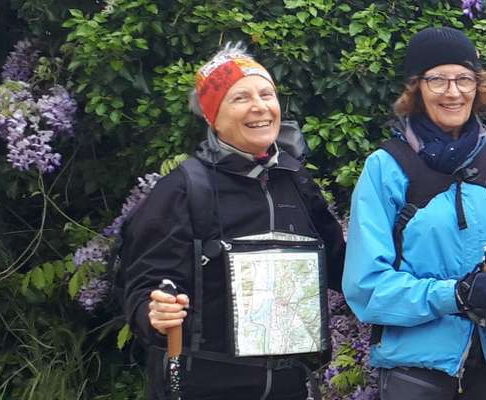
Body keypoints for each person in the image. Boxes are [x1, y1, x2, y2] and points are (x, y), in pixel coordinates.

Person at [117, 42, 345, 399]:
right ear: (213, 116)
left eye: (266, 94)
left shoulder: (296, 181)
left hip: (290, 387)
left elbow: (342, 266)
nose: (259, 106)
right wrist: (153, 312)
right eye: (240, 98)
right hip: (204, 388)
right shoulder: (183, 189)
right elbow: (143, 283)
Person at [342, 26, 486, 399]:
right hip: (419, 371)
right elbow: (366, 286)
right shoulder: (386, 167)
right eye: (437, 80)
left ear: (478, 87)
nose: (453, 92)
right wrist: (456, 295)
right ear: (416, 88)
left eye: (464, 79)